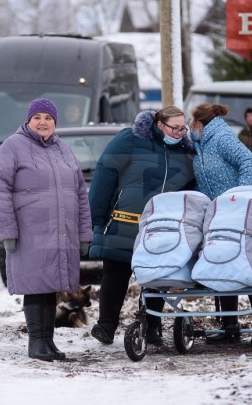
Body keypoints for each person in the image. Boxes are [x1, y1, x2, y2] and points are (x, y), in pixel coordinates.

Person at [0, 98, 92, 361]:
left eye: (48, 118)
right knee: (35, 286)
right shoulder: (13, 146)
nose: (43, 122)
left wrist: (83, 234)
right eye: (37, 117)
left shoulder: (64, 149)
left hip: (61, 232)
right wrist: (7, 232)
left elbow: (80, 192)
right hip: (29, 232)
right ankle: (36, 343)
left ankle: (48, 341)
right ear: (28, 120)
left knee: (50, 287)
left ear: (55, 123)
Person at [88, 106, 196, 346]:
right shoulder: (131, 139)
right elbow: (104, 177)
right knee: (116, 270)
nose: (180, 133)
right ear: (160, 125)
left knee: (157, 274)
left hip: (161, 228)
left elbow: (192, 191)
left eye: (183, 128)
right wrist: (96, 222)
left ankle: (151, 326)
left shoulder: (186, 154)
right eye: (174, 128)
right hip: (125, 220)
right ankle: (106, 325)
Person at [189, 102, 252, 345]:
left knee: (245, 264)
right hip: (216, 214)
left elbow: (249, 162)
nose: (190, 127)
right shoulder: (201, 145)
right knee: (222, 265)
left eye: (192, 123)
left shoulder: (221, 138)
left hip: (236, 212)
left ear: (199, 123)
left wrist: (241, 197)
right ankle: (229, 325)